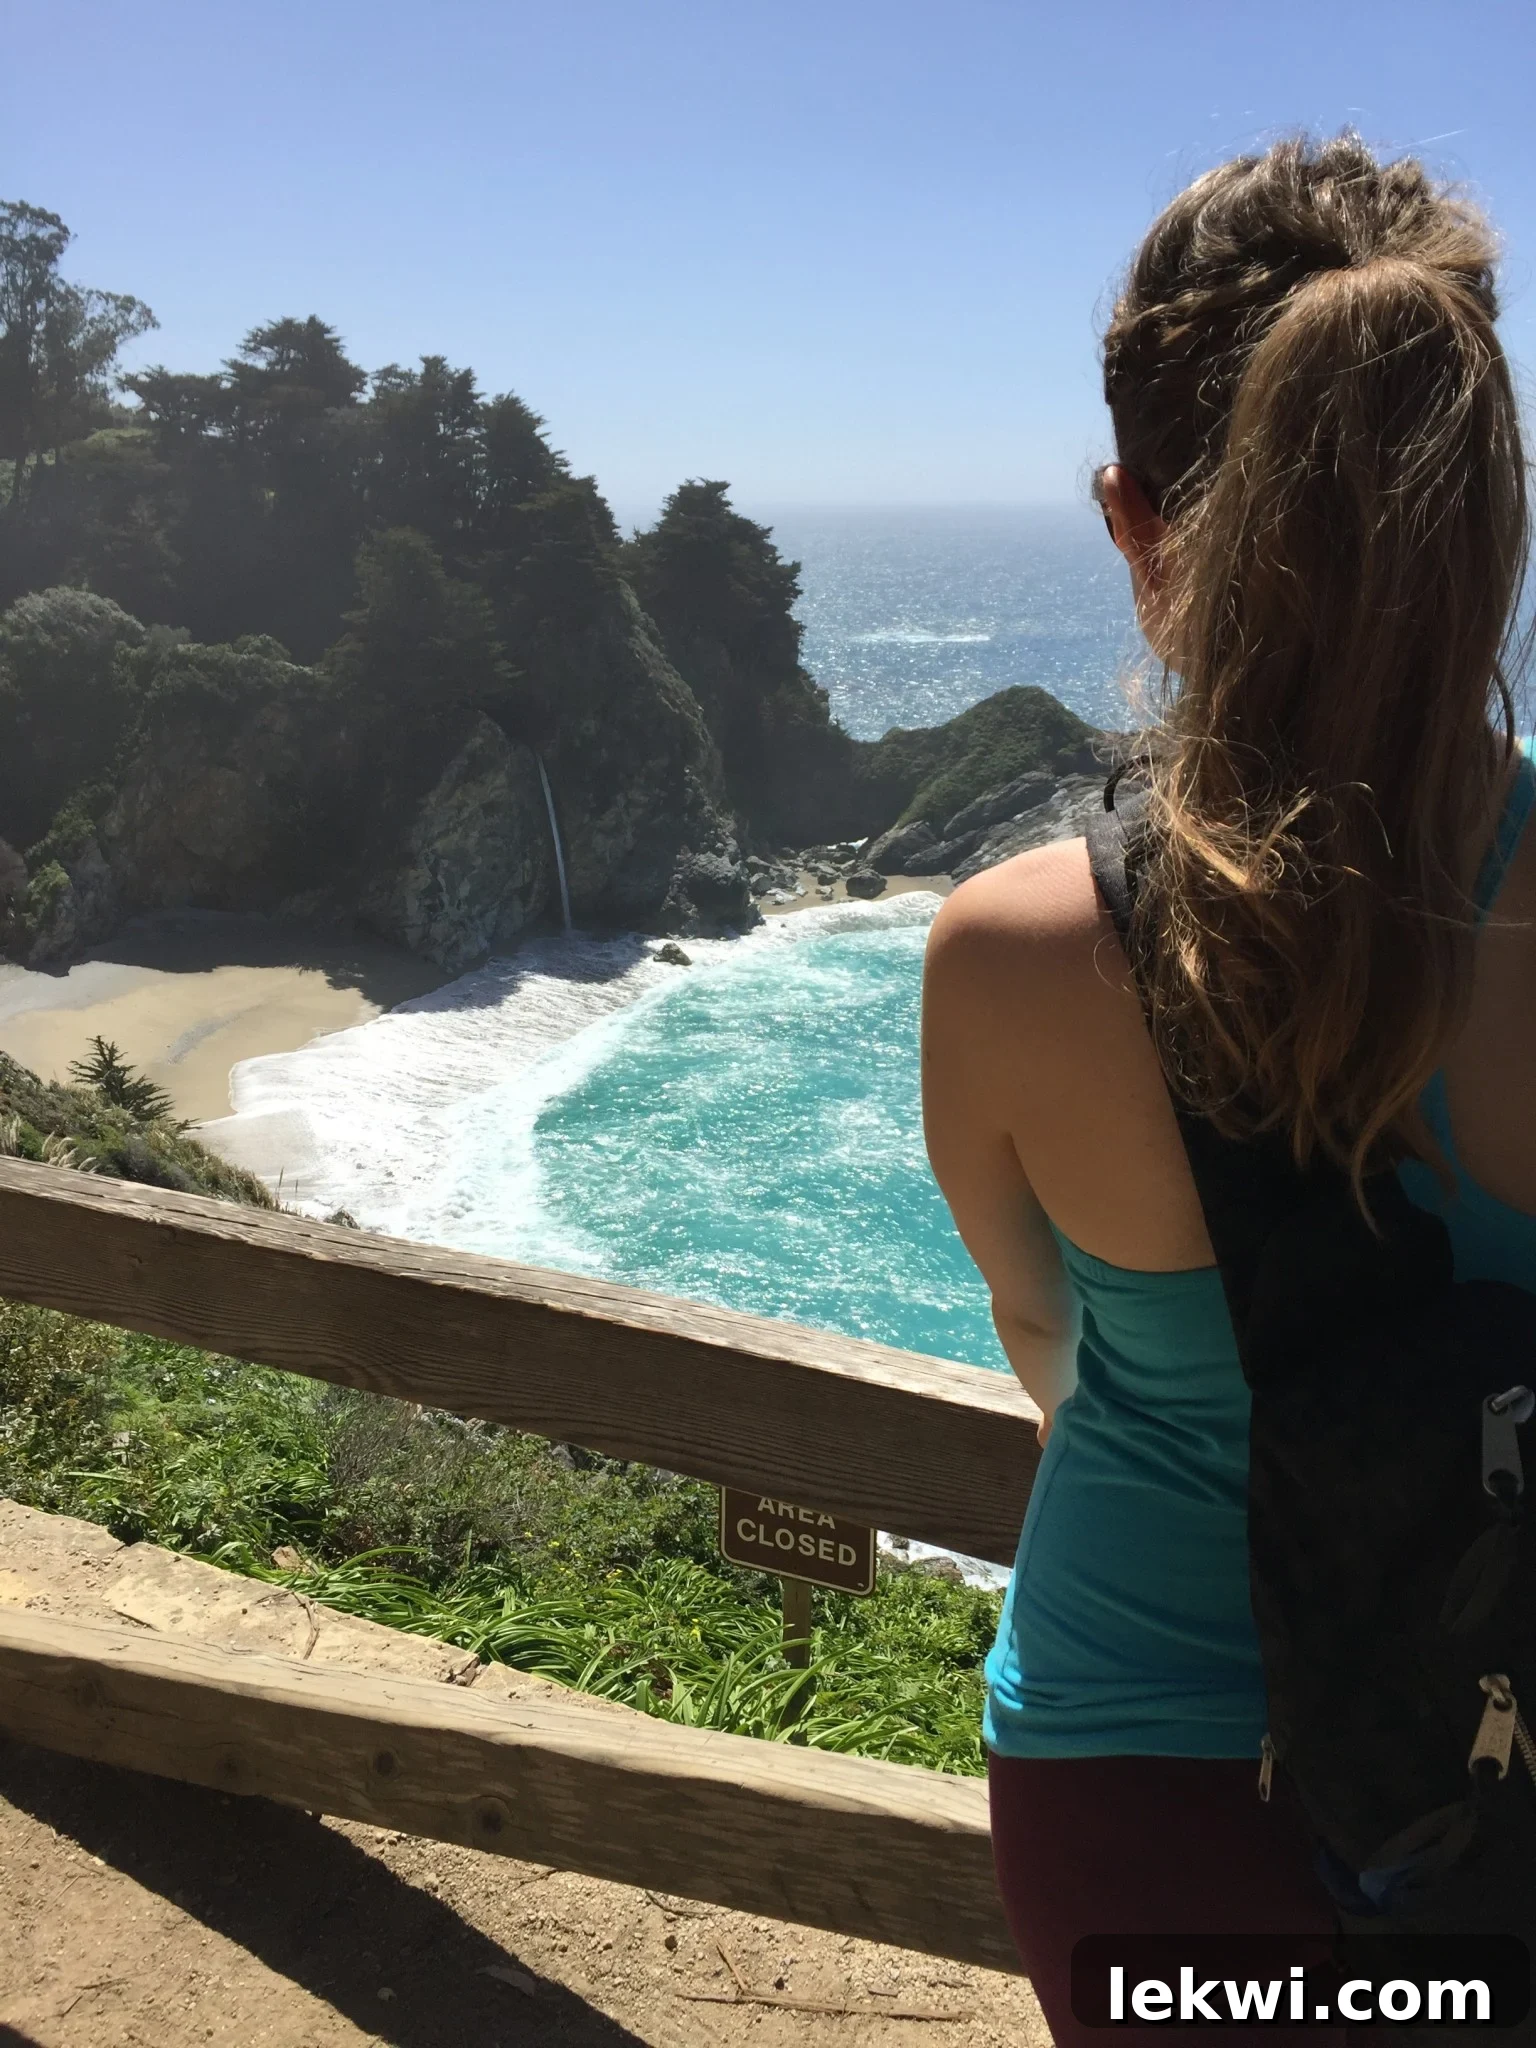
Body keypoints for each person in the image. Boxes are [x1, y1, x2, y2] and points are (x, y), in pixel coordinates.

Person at [921, 134, 1533, 2043]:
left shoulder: (1010, 957)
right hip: (1502, 1761)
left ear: (1131, 515)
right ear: (1490, 517)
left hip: (1143, 1781)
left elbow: (1046, 1343)